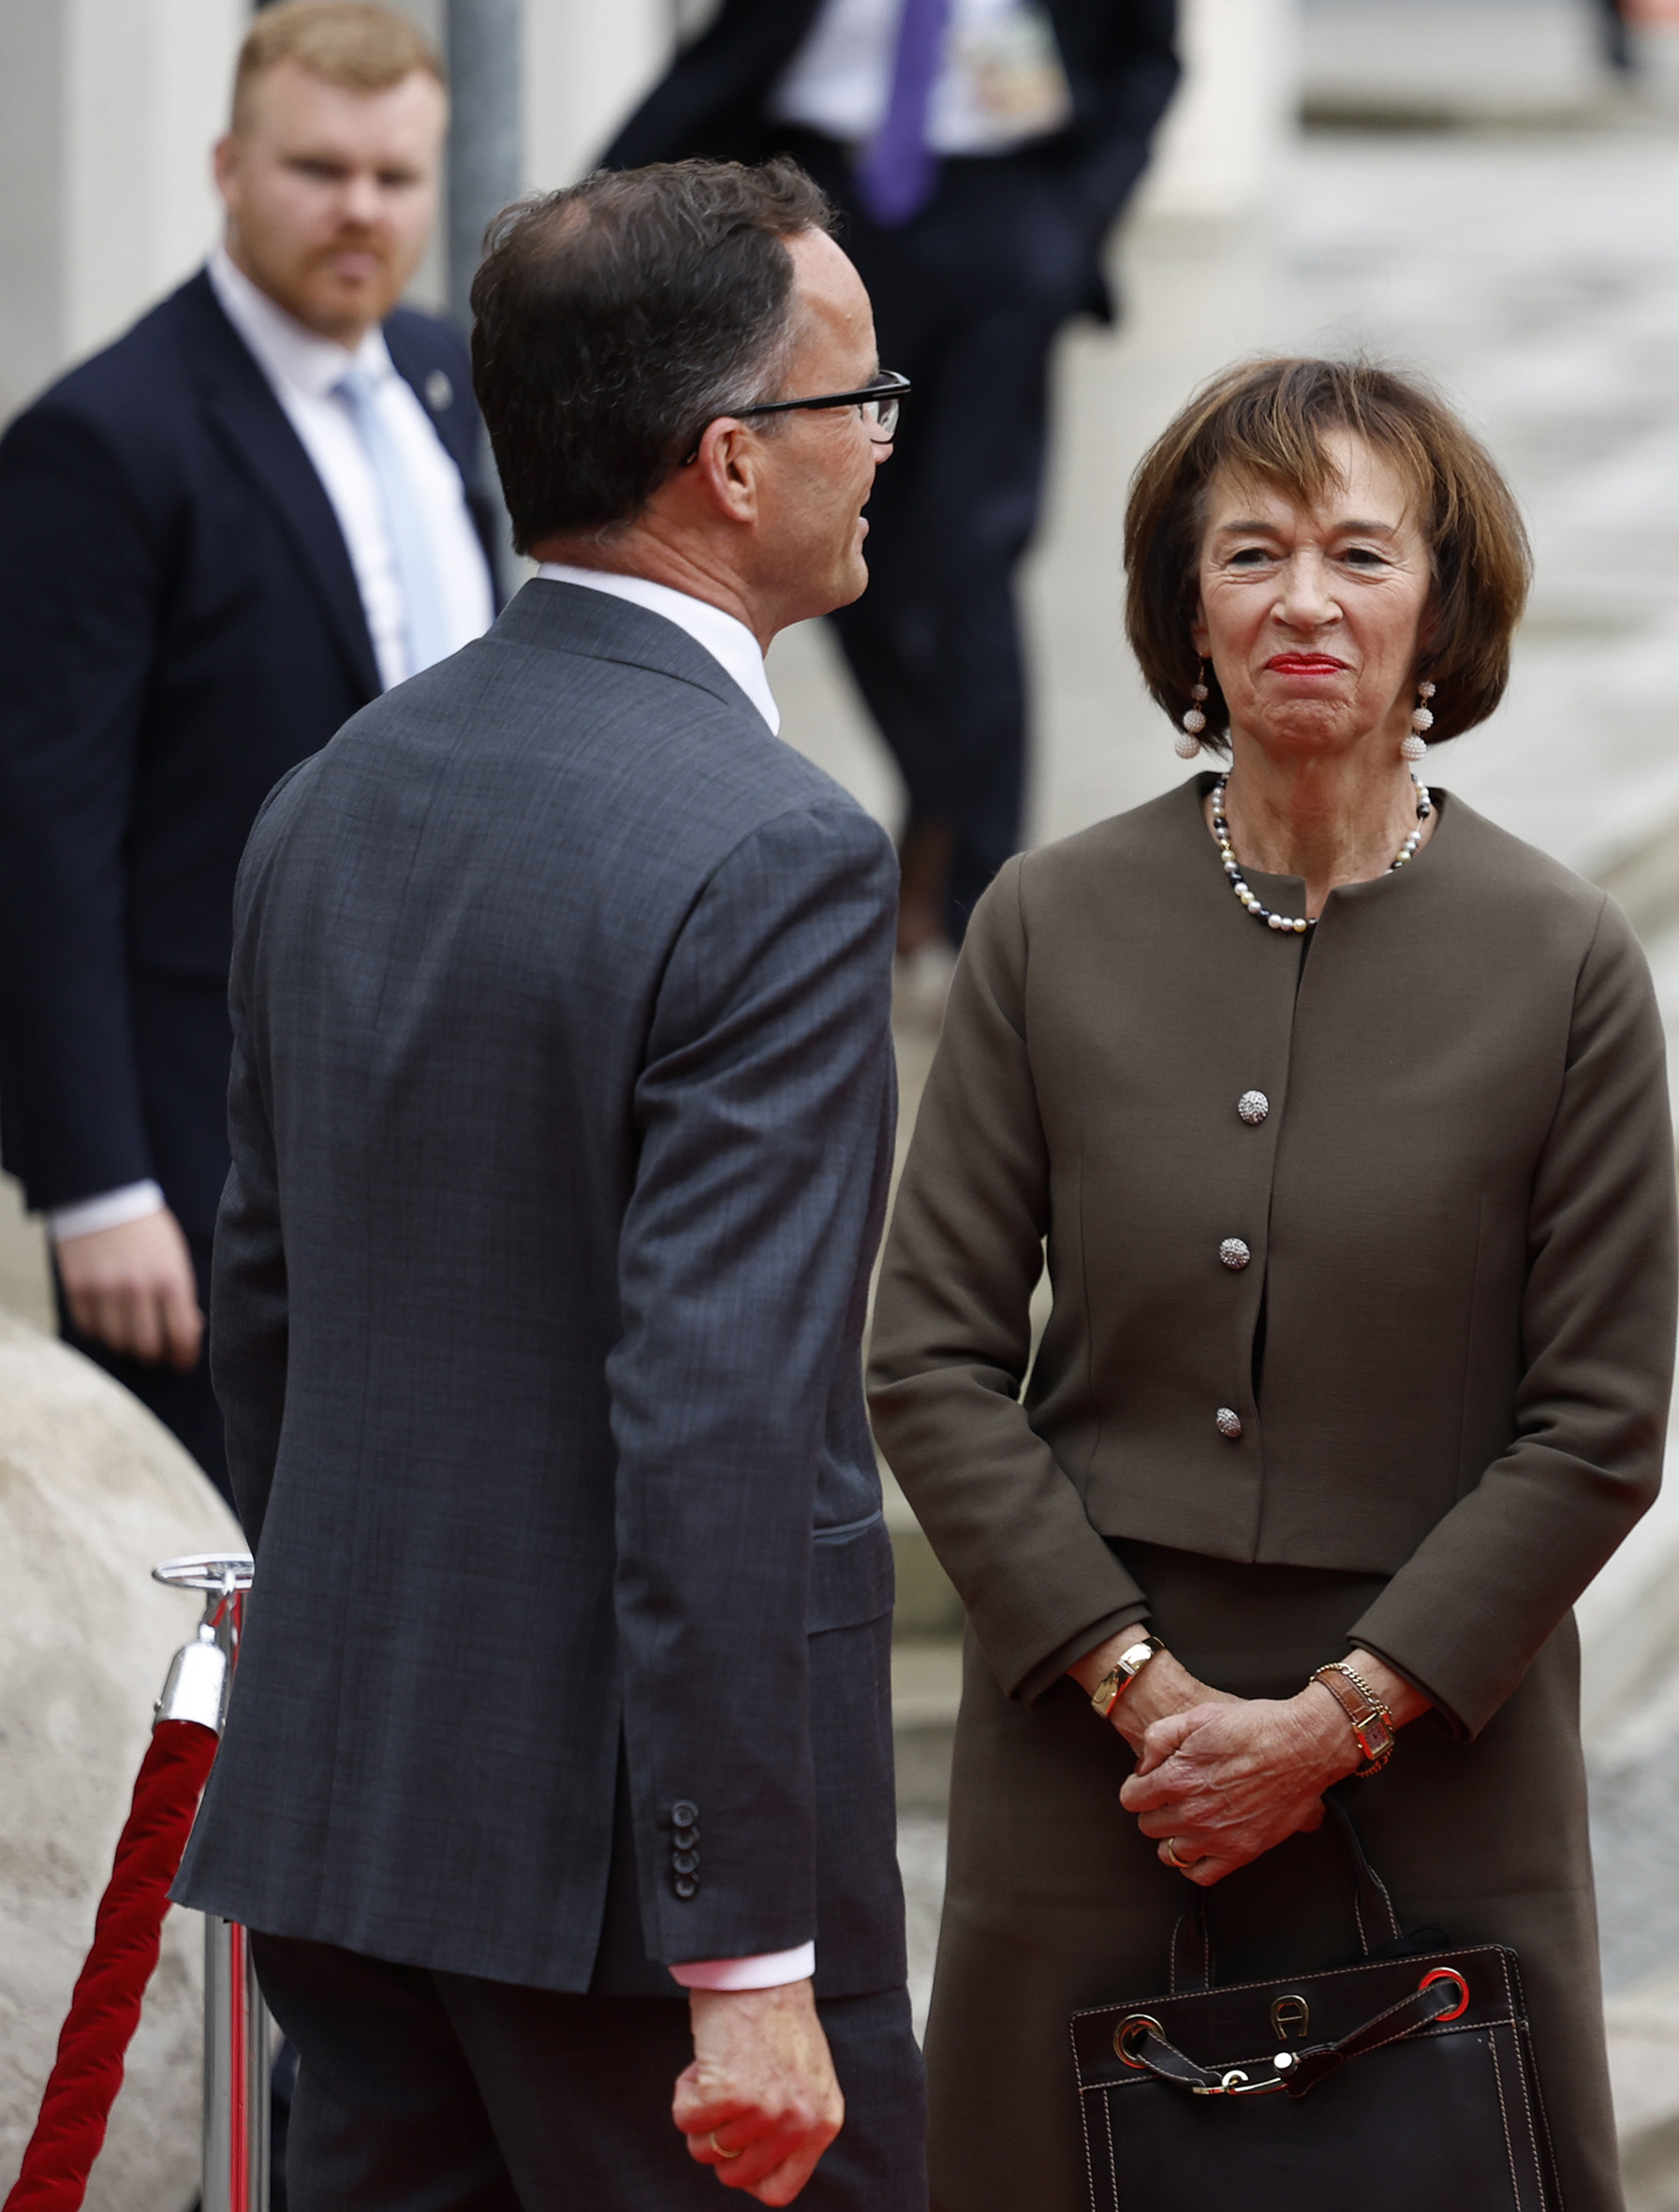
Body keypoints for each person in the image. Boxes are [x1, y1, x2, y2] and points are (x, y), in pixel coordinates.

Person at [170, 159, 925, 2209]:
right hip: (637, 1909)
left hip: (354, 1826)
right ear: (730, 463)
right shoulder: (776, 850)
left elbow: (272, 1324)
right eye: (857, 398)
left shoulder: (328, 795)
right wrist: (745, 1955)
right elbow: (718, 1420)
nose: (881, 442)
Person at [865, 355, 1676, 2209]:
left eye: (1358, 554)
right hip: (1093, 1749)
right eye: (1250, 554)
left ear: (1440, 609)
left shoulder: (1561, 957)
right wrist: (1144, 1690)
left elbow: (1597, 1421)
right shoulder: (1042, 922)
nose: (1303, 601)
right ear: (1188, 609)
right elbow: (927, 1357)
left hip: (1434, 1748)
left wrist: (1334, 1723)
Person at [0, 0, 498, 1495]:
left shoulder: (444, 380)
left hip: (452, 1105)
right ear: (228, 166)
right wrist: (94, 1181)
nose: (361, 209)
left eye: (395, 177)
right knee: (218, 1569)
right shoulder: (103, 439)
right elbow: (40, 833)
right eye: (317, 169)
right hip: (206, 1151)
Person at [606, 0, 1181, 968]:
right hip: (819, 201)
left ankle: (980, 910)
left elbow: (1148, 58)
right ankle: (942, 808)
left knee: (968, 558)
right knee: (829, 547)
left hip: (1004, 211)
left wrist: (1072, 223)